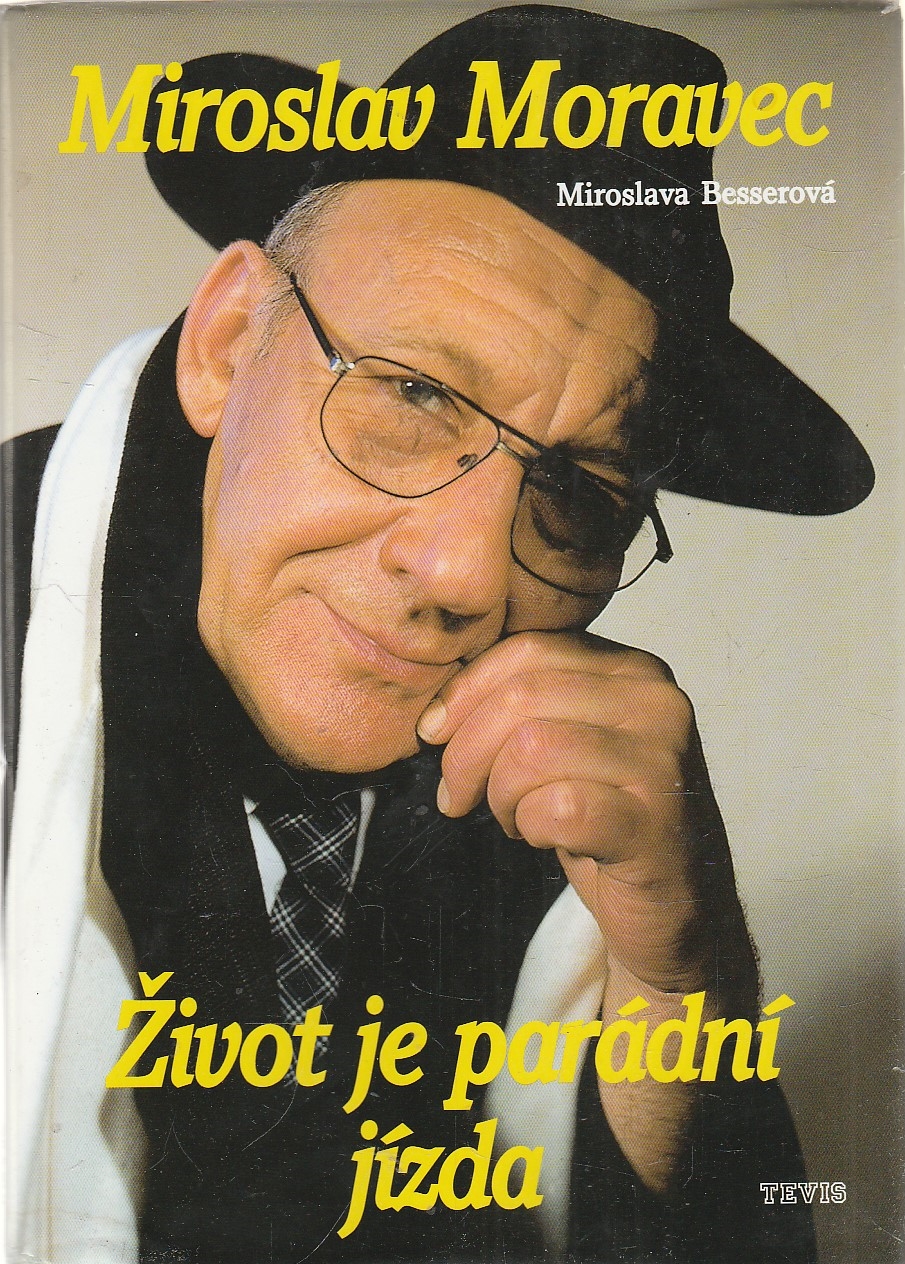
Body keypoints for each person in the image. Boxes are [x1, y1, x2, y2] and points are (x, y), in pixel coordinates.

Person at [4, 6, 873, 1263]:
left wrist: (680, 981)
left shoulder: (559, 781)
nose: (463, 573)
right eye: (413, 392)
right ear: (227, 344)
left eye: (574, 489)